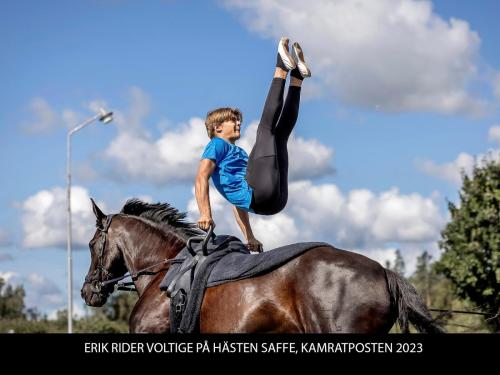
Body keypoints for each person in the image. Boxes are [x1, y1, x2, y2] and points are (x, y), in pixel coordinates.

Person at [195, 37, 311, 252]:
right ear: (217, 128)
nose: (238, 122)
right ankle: (281, 69)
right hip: (265, 196)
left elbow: (237, 202)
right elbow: (201, 176)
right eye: (232, 120)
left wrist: (249, 237)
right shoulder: (217, 145)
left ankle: (296, 78)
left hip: (272, 200)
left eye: (238, 119)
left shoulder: (238, 153)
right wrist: (205, 213)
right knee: (265, 131)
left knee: (279, 136)